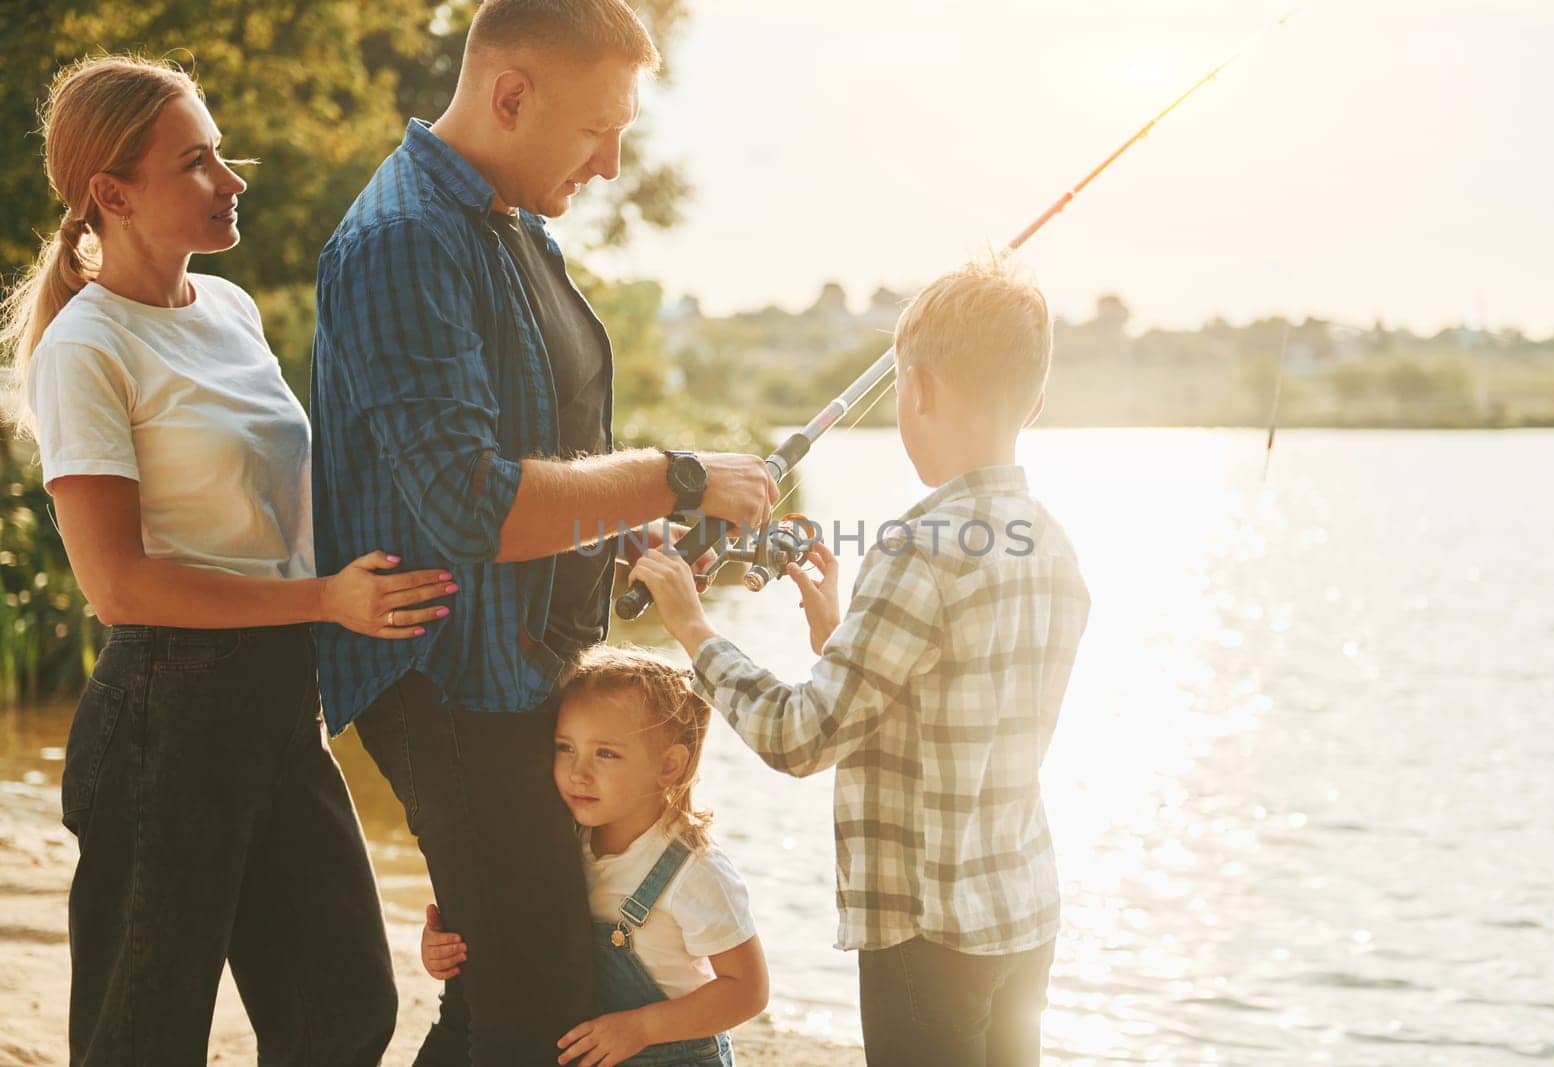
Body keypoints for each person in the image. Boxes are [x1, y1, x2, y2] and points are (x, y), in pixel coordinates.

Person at [310, 1, 777, 1061]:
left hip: (528, 673)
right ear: (510, 94)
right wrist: (678, 474)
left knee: (497, 998)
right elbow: (471, 506)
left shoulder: (510, 221)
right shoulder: (399, 244)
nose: (611, 164)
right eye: (597, 129)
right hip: (450, 685)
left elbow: (545, 454)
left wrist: (640, 540)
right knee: (537, 1010)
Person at [0, 55, 454, 1065]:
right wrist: (325, 598)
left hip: (284, 703)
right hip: (165, 717)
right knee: (140, 1039)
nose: (231, 180)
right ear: (111, 194)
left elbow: (289, 503)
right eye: (197, 162)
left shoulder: (232, 308)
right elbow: (116, 583)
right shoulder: (87, 348)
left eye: (224, 155)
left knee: (343, 1009)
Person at [629, 256, 1093, 1067]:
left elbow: (801, 739)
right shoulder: (1052, 542)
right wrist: (840, 634)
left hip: (927, 929)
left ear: (918, 389)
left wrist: (694, 627)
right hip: (1020, 914)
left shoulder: (919, 546)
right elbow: (959, 698)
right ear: (1037, 401)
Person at [420, 645, 768, 1067]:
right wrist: (446, 946)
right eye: (565, 747)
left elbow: (747, 990)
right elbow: (510, 926)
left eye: (606, 753)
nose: (577, 772)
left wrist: (642, 1027)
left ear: (669, 766)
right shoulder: (562, 842)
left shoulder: (695, 871)